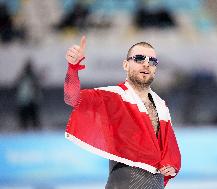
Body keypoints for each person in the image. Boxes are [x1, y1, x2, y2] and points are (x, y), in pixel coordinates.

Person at [64, 36, 181, 188]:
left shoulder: (161, 106)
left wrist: (170, 166)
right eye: (139, 58)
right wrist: (72, 68)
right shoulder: (112, 96)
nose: (146, 64)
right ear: (125, 65)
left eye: (152, 61)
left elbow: (168, 149)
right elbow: (72, 99)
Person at [15, 58, 42, 130]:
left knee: (34, 119)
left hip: (31, 101)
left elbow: (36, 88)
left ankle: (33, 131)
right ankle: (25, 130)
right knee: (24, 120)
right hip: (24, 101)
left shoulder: (32, 77)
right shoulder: (23, 77)